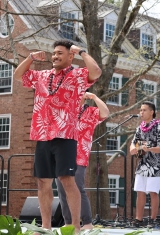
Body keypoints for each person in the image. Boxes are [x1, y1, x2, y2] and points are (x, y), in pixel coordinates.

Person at [14, 40, 102, 232]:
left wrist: (83, 53)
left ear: (70, 56)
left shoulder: (77, 74)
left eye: (60, 53)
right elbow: (19, 76)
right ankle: (46, 227)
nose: (55, 56)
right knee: (43, 181)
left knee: (66, 179)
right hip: (42, 134)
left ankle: (76, 227)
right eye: (54, 53)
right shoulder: (42, 75)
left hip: (65, 135)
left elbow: (96, 72)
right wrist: (30, 58)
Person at [56, 92, 109, 230]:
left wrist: (95, 98)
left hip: (80, 155)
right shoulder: (64, 111)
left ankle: (87, 223)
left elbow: (105, 113)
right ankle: (68, 223)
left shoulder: (90, 112)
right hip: (62, 154)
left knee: (77, 187)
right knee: (62, 189)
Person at [129, 101, 160, 227]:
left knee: (152, 192)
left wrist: (149, 148)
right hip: (143, 164)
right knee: (140, 191)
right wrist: (133, 148)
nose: (141, 112)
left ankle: (153, 219)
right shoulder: (140, 128)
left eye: (144, 110)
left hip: (156, 164)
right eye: (140, 110)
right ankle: (138, 219)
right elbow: (133, 143)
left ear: (152, 112)